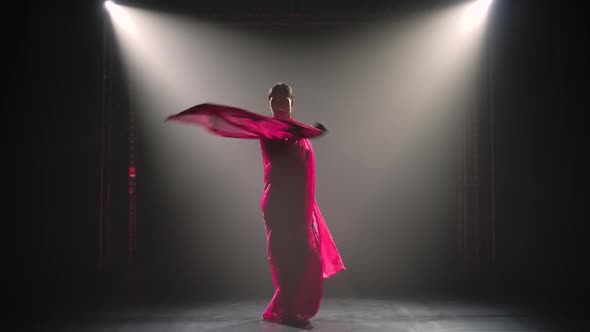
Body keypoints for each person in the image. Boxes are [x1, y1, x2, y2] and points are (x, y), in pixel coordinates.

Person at [166, 82, 345, 328]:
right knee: (288, 257)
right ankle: (290, 313)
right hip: (280, 204)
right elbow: (283, 151)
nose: (278, 104)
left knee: (303, 256)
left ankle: (285, 309)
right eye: (274, 100)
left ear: (293, 103)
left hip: (297, 205)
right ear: (268, 103)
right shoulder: (270, 129)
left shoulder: (298, 131)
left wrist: (308, 133)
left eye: (283, 100)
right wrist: (309, 132)